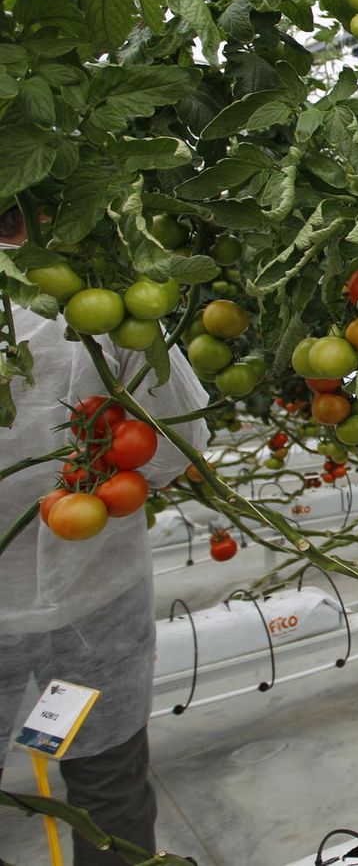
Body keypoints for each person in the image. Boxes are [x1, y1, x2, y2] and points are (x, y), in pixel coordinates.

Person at [0, 207, 210, 865]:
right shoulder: (99, 305)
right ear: (39, 208)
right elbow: (181, 443)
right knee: (108, 796)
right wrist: (100, 469)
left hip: (83, 597)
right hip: (96, 600)